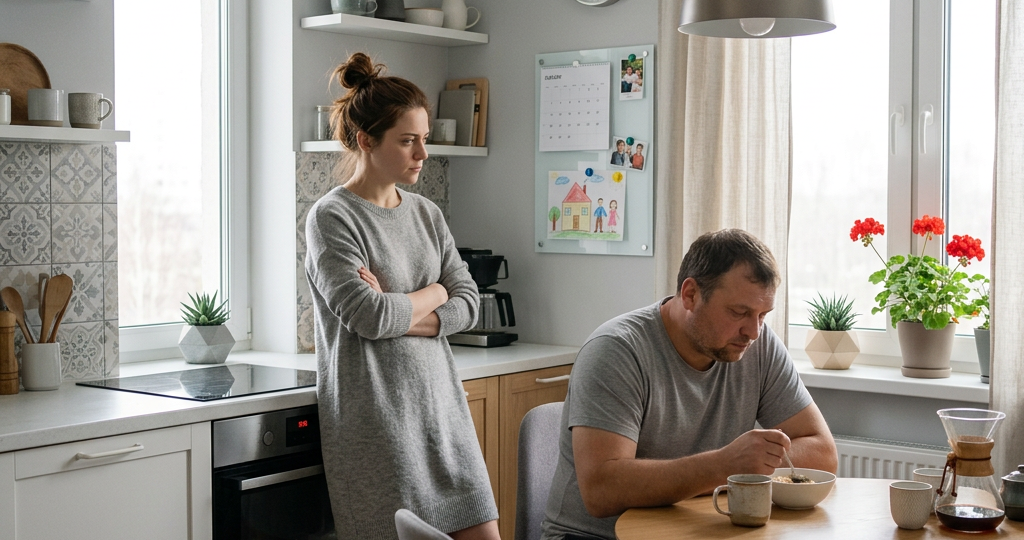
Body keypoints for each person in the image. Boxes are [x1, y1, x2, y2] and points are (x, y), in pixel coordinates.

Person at [305, 52, 498, 540]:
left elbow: (469, 301)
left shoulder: (427, 214)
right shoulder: (332, 218)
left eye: (424, 139)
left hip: (443, 412)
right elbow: (367, 316)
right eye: (408, 141)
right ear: (366, 141)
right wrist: (436, 292)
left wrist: (406, 306)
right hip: (378, 425)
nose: (422, 155)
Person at [540, 229, 837, 540]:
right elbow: (601, 491)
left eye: (763, 315)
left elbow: (822, 452)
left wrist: (735, 465)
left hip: (693, 530)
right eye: (739, 312)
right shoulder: (616, 350)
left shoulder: (757, 346)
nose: (754, 332)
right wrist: (725, 464)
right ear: (690, 294)